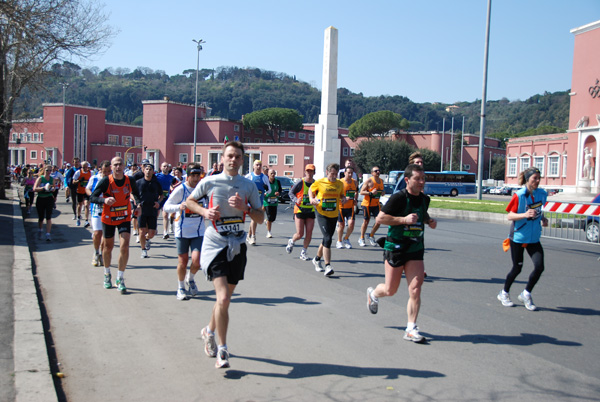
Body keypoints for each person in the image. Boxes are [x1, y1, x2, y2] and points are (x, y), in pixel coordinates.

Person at [186, 141, 264, 369]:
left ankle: (208, 330)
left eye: (237, 157)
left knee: (225, 300)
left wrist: (246, 208)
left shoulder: (248, 186)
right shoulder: (209, 181)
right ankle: (223, 349)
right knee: (223, 299)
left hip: (237, 244)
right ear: (222, 159)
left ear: (242, 160)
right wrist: (204, 211)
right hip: (215, 244)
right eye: (229, 156)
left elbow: (260, 218)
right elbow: (190, 201)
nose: (233, 160)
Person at [366, 164, 437, 343]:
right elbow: (380, 218)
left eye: (423, 179)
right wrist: (403, 220)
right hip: (396, 247)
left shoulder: (424, 199)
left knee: (415, 288)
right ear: (407, 180)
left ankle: (411, 328)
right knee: (390, 290)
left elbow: (423, 214)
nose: (422, 182)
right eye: (418, 179)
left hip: (415, 248)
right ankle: (373, 294)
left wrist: (429, 221)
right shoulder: (398, 198)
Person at [497, 167, 548, 311]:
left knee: (539, 266)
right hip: (518, 237)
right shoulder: (519, 196)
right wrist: (525, 215)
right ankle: (504, 293)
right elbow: (509, 216)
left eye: (539, 178)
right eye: (534, 179)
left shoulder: (541, 194)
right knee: (517, 268)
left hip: (534, 238)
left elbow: (538, 212)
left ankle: (526, 293)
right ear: (527, 179)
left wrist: (543, 219)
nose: (537, 181)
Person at [89, 156, 141, 293]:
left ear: (124, 166)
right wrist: (104, 200)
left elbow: (136, 194)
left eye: (120, 164)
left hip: (124, 216)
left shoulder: (130, 180)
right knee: (108, 247)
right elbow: (92, 197)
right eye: (115, 165)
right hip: (108, 218)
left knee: (124, 246)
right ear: (111, 167)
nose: (118, 167)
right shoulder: (106, 181)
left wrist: (138, 204)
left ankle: (120, 277)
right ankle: (107, 274)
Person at [164, 162, 206, 300]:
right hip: (182, 231)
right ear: (187, 176)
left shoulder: (203, 189)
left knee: (197, 261)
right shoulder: (181, 189)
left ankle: (191, 278)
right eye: (193, 175)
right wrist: (179, 206)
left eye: (197, 175)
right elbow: (166, 207)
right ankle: (180, 287)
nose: (195, 178)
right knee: (182, 262)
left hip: (198, 230)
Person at [309, 163, 346, 277]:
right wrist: (312, 198)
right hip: (322, 213)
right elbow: (311, 189)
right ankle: (328, 266)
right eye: (332, 174)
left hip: (334, 214)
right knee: (328, 238)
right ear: (327, 172)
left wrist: (343, 198)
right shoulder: (320, 182)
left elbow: (341, 195)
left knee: (326, 239)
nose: (333, 176)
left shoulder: (340, 184)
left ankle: (316, 259)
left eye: (335, 174)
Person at [286, 164, 316, 260]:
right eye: (307, 171)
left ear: (314, 172)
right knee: (300, 234)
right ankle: (291, 241)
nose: (309, 173)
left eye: (311, 171)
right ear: (305, 172)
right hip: (299, 210)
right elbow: (291, 192)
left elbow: (319, 194)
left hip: (310, 210)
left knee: (309, 233)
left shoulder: (316, 184)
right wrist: (296, 199)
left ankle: (303, 252)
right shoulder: (300, 182)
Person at [86, 160, 111, 266]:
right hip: (96, 208)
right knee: (97, 233)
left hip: (108, 208)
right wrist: (93, 196)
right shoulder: (94, 178)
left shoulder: (112, 179)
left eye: (108, 171)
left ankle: (101, 253)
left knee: (106, 235)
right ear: (100, 169)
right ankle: (96, 252)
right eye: (104, 171)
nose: (106, 174)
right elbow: (87, 189)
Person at [136, 163, 164, 258]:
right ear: (144, 170)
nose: (148, 171)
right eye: (146, 169)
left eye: (150, 169)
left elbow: (162, 195)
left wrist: (158, 202)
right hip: (142, 209)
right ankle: (143, 250)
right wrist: (137, 202)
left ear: (153, 171)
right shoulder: (138, 182)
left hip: (152, 209)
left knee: (151, 233)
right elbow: (133, 194)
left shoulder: (156, 183)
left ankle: (147, 239)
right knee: (141, 231)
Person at [244, 159, 270, 245]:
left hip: (260, 201)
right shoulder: (249, 176)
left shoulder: (264, 177)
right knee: (254, 218)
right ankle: (253, 237)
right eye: (257, 165)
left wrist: (266, 192)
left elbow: (269, 189)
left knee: (254, 219)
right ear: (253, 166)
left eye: (260, 165)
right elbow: (242, 186)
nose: (258, 166)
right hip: (250, 201)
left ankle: (249, 234)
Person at [358, 166, 384, 246]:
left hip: (376, 204)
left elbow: (381, 191)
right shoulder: (369, 181)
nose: (378, 172)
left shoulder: (381, 181)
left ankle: (371, 235)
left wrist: (383, 192)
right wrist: (370, 193)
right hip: (367, 204)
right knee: (366, 221)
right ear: (372, 173)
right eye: (376, 171)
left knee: (379, 221)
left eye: (379, 170)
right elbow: (361, 192)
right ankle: (361, 238)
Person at [336, 165, 358, 249]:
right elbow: (336, 194)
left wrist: (355, 200)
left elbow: (355, 192)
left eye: (351, 173)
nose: (350, 174)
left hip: (350, 207)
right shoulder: (340, 182)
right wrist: (344, 198)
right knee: (341, 226)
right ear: (344, 173)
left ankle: (346, 238)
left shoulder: (355, 182)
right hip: (341, 207)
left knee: (351, 224)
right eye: (348, 173)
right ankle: (339, 241)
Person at [33, 166, 57, 241]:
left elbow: (54, 188)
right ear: (44, 170)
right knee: (41, 217)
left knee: (48, 217)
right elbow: (34, 189)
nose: (49, 172)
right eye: (47, 170)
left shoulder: (52, 179)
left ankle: (48, 234)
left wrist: (52, 189)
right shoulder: (40, 178)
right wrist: (43, 188)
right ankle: (40, 230)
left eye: (50, 170)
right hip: (41, 198)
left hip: (49, 199)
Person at [156, 162, 174, 239]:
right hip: (158, 197)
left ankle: (165, 232)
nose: (166, 168)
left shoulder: (171, 177)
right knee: (156, 214)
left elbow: (172, 185)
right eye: (164, 166)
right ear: (161, 167)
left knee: (165, 215)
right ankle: (155, 227)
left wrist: (172, 189)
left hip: (166, 198)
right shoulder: (157, 176)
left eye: (167, 166)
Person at [72, 160, 92, 227]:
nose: (85, 168)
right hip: (80, 191)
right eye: (83, 167)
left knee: (86, 205)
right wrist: (79, 181)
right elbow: (73, 181)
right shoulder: (78, 172)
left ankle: (86, 220)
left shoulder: (91, 173)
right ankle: (78, 217)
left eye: (86, 167)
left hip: (87, 191)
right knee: (79, 204)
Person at [263, 169, 281, 238]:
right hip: (267, 201)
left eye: (274, 173)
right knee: (270, 217)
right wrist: (264, 194)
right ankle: (269, 232)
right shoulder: (265, 182)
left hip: (274, 201)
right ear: (268, 174)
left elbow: (280, 190)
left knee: (273, 218)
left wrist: (278, 193)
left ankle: (267, 221)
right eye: (271, 173)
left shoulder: (277, 182)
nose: (273, 175)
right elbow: (262, 190)